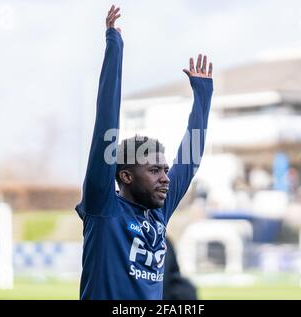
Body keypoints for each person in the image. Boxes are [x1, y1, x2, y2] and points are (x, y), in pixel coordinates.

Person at [75, 5, 213, 300]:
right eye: (154, 170)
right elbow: (105, 129)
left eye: (164, 169)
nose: (166, 178)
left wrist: (203, 95)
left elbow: (189, 159)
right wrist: (115, 46)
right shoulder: (104, 208)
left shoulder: (159, 211)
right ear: (124, 175)